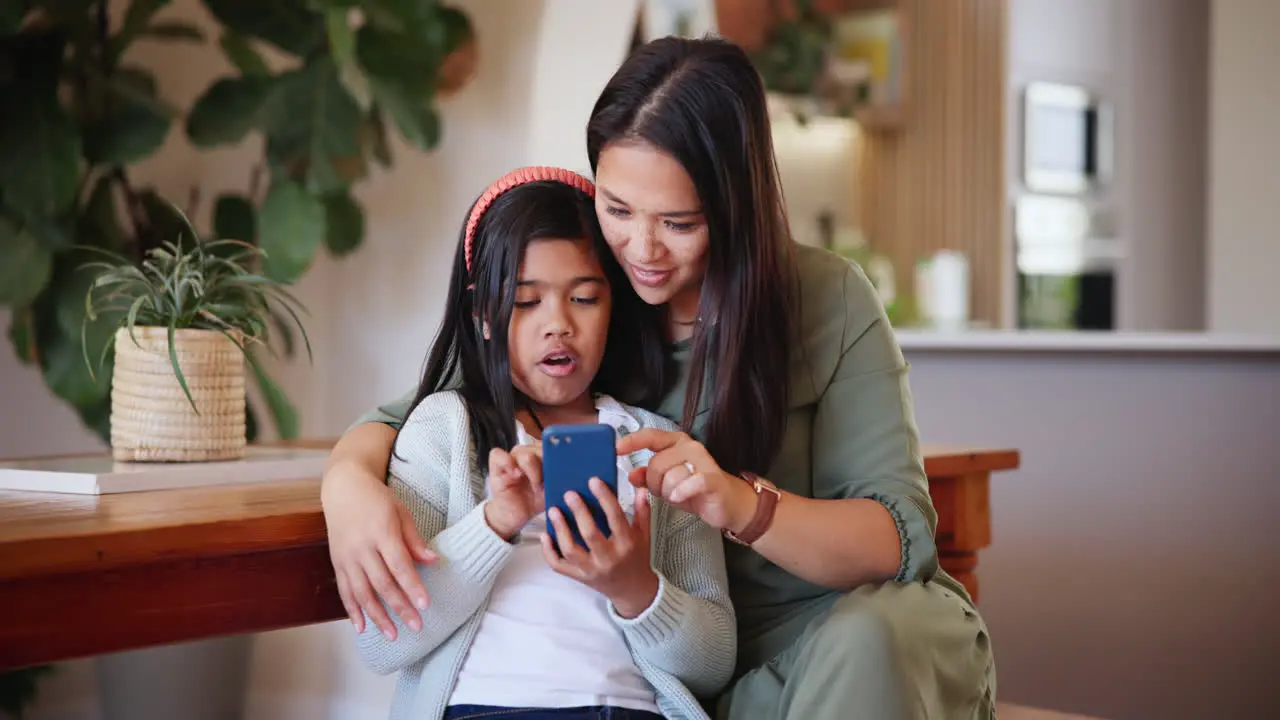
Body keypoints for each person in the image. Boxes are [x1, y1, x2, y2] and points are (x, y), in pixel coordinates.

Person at [323, 37, 995, 720]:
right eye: (616, 209)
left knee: (872, 636)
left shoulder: (826, 298)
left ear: (735, 208)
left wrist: (739, 505)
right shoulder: (586, 290)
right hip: (670, 674)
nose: (641, 251)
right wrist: (346, 486)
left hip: (812, 644)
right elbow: (429, 404)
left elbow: (895, 539)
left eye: (679, 223)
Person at [349, 166, 736, 720]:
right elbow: (383, 642)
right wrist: (496, 522)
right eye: (527, 302)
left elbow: (714, 661)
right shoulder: (445, 431)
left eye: (583, 298)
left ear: (613, 308)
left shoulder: (658, 446)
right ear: (484, 313)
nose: (557, 325)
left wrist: (637, 590)